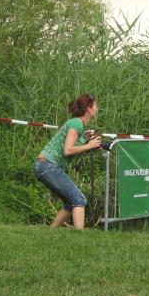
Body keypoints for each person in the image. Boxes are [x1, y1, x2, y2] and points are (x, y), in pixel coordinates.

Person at [34, 93, 102, 230]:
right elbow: (68, 150)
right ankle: (79, 237)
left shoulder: (78, 125)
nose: (97, 109)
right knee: (79, 199)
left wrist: (89, 143)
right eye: (95, 106)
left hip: (45, 165)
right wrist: (89, 146)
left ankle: (50, 232)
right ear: (88, 109)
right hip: (48, 165)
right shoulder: (76, 124)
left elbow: (73, 148)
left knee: (70, 203)